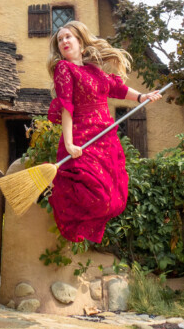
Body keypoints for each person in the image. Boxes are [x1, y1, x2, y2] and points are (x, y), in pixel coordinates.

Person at [45, 21, 164, 243]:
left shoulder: (92, 69)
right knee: (96, 194)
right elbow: (66, 107)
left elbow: (115, 88)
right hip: (81, 139)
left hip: (105, 138)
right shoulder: (64, 69)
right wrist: (70, 144)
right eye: (60, 40)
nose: (63, 42)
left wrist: (142, 97)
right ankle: (59, 197)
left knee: (114, 198)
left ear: (80, 41)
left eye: (68, 37)